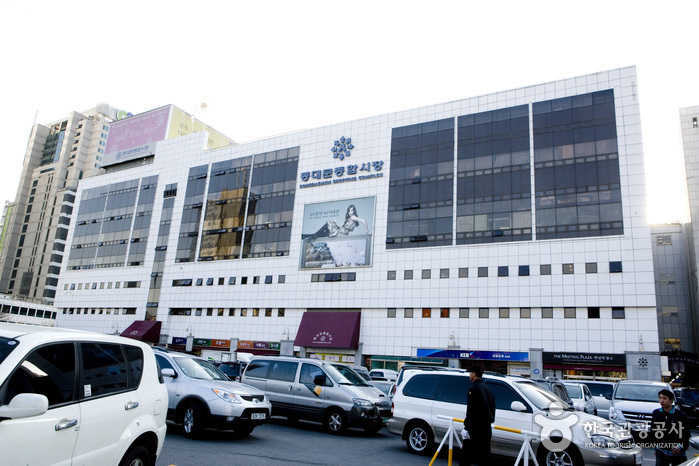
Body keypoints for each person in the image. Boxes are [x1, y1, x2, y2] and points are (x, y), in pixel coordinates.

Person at [460, 365, 496, 466]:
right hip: (486, 428)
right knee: (484, 456)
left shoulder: (474, 389)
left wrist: (467, 428)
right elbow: (492, 406)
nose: (469, 375)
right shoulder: (487, 388)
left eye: (470, 373)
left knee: (466, 457)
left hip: (475, 429)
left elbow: (471, 410)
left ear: (474, 374)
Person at [651, 388, 690, 466]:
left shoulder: (680, 416)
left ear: (671, 400)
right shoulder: (656, 413)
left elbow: (686, 434)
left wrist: (680, 447)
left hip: (677, 452)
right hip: (661, 450)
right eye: (660, 398)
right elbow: (654, 431)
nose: (662, 401)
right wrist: (655, 446)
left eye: (664, 398)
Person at [303, 204, 371, 240]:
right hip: (340, 232)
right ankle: (312, 235)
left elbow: (363, 221)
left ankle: (313, 235)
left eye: (352, 210)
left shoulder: (353, 217)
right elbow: (340, 226)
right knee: (328, 231)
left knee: (329, 223)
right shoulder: (348, 218)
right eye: (349, 210)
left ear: (354, 211)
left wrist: (367, 231)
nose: (350, 212)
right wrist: (335, 222)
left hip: (341, 233)